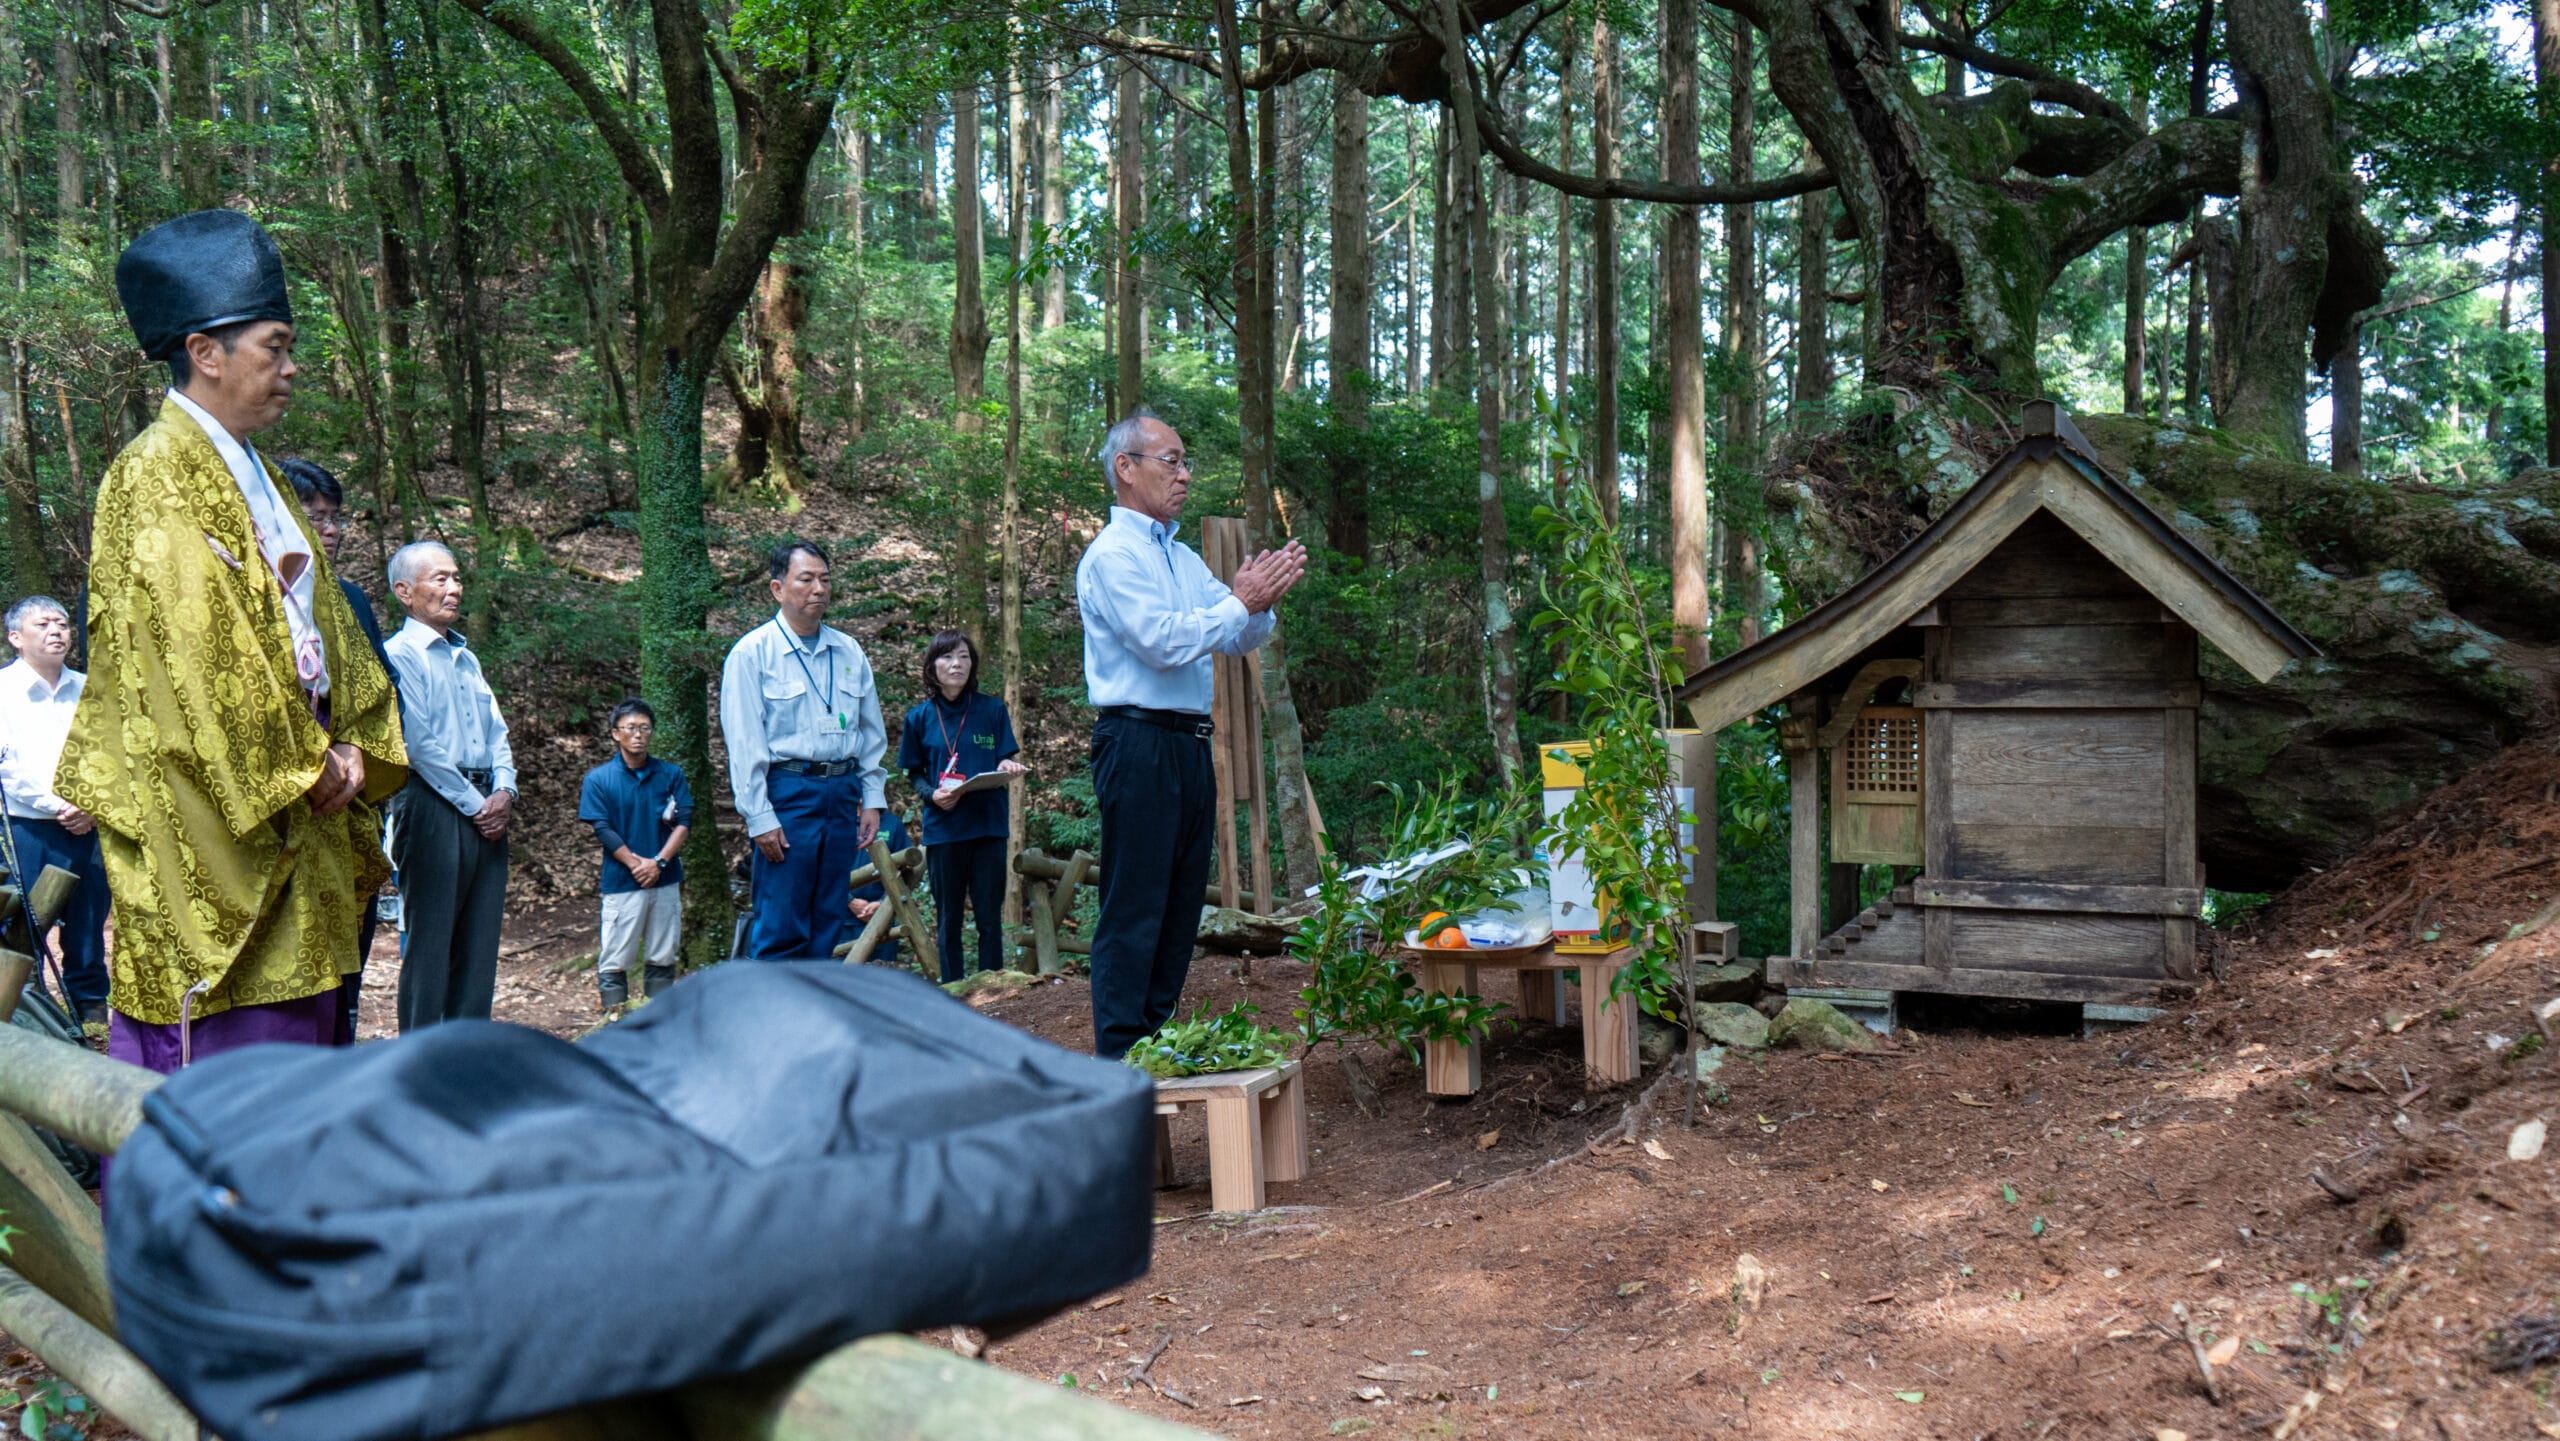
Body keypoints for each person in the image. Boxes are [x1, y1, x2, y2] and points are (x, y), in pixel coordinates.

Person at [58, 208, 407, 1072]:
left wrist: (358, 742)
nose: (290, 369)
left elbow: (330, 626)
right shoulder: (153, 474)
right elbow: (193, 660)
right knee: (233, 1088)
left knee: (308, 1077)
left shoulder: (265, 475)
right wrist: (305, 763)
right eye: (274, 347)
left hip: (310, 809)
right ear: (205, 350)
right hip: (223, 828)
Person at [1074, 408, 1305, 1058]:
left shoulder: (1177, 556)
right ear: (1126, 468)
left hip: (1189, 745)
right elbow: (1163, 642)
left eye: (1185, 461)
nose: (1185, 474)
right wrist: (1237, 599)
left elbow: (1233, 633)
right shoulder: (1112, 557)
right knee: (1136, 903)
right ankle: (1121, 1059)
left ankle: (1157, 1039)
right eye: (1170, 460)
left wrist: (1256, 603)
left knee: (1179, 910)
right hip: (1137, 741)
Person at [719, 540, 887, 961]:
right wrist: (759, 816)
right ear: (778, 588)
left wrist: (872, 798)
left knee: (829, 913)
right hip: (788, 793)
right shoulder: (753, 653)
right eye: (807, 579)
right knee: (782, 920)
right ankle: (774, 1020)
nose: (819, 589)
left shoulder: (849, 650)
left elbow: (871, 733)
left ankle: (814, 1017)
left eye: (825, 580)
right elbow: (743, 744)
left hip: (842, 791)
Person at [278, 457, 396, 1043]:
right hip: (279, 812)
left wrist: (354, 749)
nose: (329, 529)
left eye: (335, 517)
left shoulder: (351, 599)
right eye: (313, 515)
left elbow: (380, 693)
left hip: (348, 810)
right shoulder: (251, 596)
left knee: (348, 952)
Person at [383, 540, 514, 1030]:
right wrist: (478, 805)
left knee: (479, 949)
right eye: (440, 578)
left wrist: (505, 791)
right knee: (431, 946)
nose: (454, 588)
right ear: (405, 591)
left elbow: (497, 733)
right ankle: (419, 1058)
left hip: (487, 807)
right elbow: (417, 744)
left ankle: (467, 1058)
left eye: (456, 578)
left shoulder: (467, 659)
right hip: (434, 807)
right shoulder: (400, 655)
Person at [0, 596, 110, 1029]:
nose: (56, 631)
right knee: (26, 923)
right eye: (43, 624)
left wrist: (93, 805)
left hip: (89, 824)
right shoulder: (3, 690)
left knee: (89, 919)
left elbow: (112, 754)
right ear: (15, 638)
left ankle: (90, 1006)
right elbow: (7, 766)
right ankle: (29, 1009)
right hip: (27, 827)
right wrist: (59, 803)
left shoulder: (90, 690)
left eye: (62, 623)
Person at [896, 631, 1024, 982]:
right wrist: (931, 794)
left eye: (964, 657)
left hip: (988, 826)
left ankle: (994, 991)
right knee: (948, 917)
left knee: (988, 917)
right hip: (945, 827)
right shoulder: (919, 717)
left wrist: (1007, 766)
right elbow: (914, 773)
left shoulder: (993, 709)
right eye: (948, 657)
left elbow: (1003, 759)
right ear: (932, 666)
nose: (957, 664)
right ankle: (952, 990)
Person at [577, 698, 693, 1009]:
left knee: (663, 952)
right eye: (630, 728)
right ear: (616, 733)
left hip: (665, 878)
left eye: (644, 728)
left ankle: (659, 1021)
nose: (638, 734)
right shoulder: (599, 779)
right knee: (616, 955)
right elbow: (602, 828)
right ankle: (615, 1020)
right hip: (622, 880)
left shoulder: (671, 775)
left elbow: (684, 822)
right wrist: (636, 864)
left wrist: (659, 862)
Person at [845, 807, 911, 970]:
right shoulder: (836, 820)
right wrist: (849, 901)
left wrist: (883, 903)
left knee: (880, 980)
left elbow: (906, 871)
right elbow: (822, 869)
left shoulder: (892, 824)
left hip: (882, 918)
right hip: (841, 920)